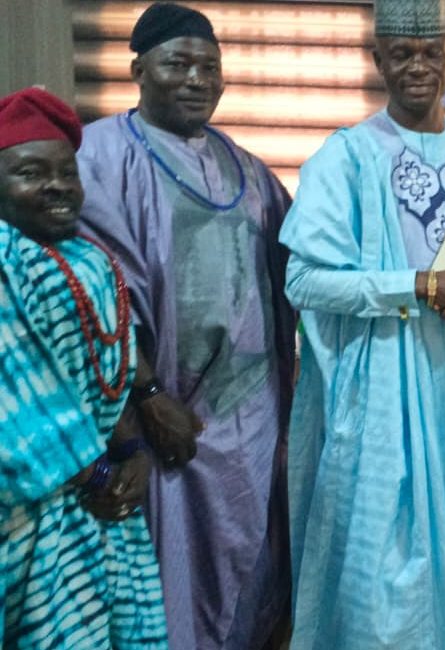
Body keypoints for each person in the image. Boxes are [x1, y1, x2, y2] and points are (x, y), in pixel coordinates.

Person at [279, 0, 445, 647]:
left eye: (429, 53)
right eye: (401, 54)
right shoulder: (346, 159)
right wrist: (420, 285)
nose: (417, 67)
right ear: (379, 61)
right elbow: (303, 281)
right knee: (383, 578)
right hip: (386, 391)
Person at [74, 3, 296, 649]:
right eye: (178, 64)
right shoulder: (97, 157)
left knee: (250, 561)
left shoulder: (248, 169)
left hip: (250, 412)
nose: (197, 80)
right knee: (166, 568)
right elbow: (89, 295)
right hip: (156, 413)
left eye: (209, 67)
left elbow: (298, 272)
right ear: (139, 70)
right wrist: (146, 394)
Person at [0, 87, 168, 649]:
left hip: (95, 503)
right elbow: (15, 405)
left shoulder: (89, 259)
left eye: (67, 173)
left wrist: (131, 452)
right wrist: (97, 476)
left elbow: (105, 376)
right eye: (31, 172)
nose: (57, 186)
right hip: (23, 512)